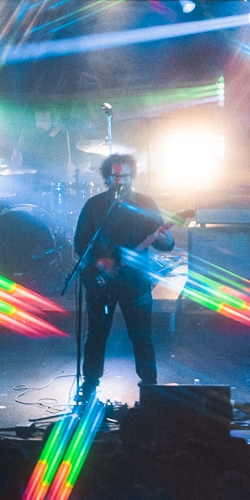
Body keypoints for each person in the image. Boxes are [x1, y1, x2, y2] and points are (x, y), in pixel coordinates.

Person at [73, 153, 174, 400]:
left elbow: (165, 244)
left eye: (125, 176)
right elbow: (80, 243)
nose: (121, 180)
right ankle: (90, 383)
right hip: (101, 280)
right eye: (116, 175)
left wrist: (166, 238)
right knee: (96, 335)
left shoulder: (146, 203)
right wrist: (99, 261)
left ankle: (150, 385)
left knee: (141, 334)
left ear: (133, 176)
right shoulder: (95, 205)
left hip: (135, 281)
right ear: (108, 177)